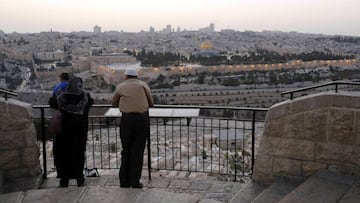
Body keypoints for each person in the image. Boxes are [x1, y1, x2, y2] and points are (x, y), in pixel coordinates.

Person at [112, 68, 154, 188]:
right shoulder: (143, 85)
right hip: (142, 119)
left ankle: (124, 181)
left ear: (126, 76)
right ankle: (135, 181)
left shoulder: (120, 86)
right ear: (136, 76)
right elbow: (151, 102)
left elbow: (114, 102)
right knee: (138, 151)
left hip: (127, 120)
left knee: (126, 150)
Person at [50, 77, 94, 187]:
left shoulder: (61, 97)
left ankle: (64, 179)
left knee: (63, 155)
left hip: (63, 133)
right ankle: (79, 178)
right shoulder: (85, 97)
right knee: (78, 154)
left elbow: (51, 102)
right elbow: (91, 103)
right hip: (79, 132)